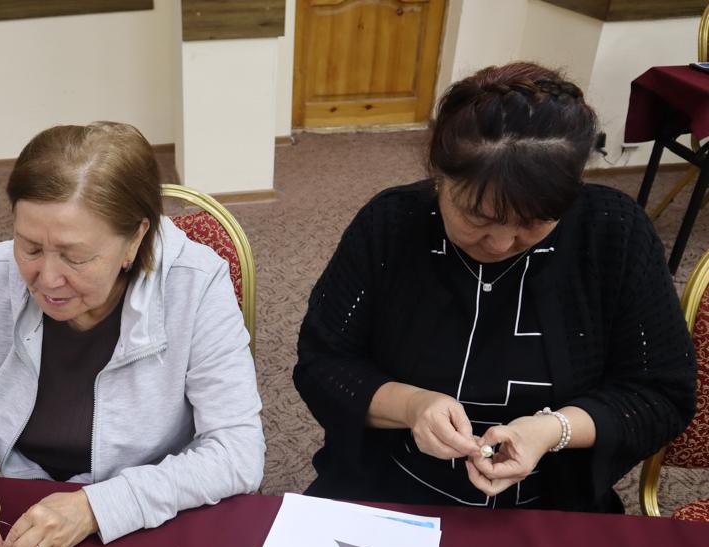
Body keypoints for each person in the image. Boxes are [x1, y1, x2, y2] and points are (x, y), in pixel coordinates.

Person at [294, 62, 696, 512]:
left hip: (552, 503)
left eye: (535, 222)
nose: (502, 244)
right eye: (477, 217)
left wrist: (553, 430)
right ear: (440, 177)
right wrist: (412, 406)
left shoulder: (613, 232)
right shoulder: (390, 225)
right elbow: (323, 363)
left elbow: (661, 393)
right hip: (386, 488)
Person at [0, 121, 264, 547]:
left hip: (150, 512)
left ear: (135, 240)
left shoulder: (195, 284)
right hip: (21, 503)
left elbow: (237, 452)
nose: (48, 279)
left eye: (75, 257)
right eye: (30, 247)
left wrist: (97, 507)